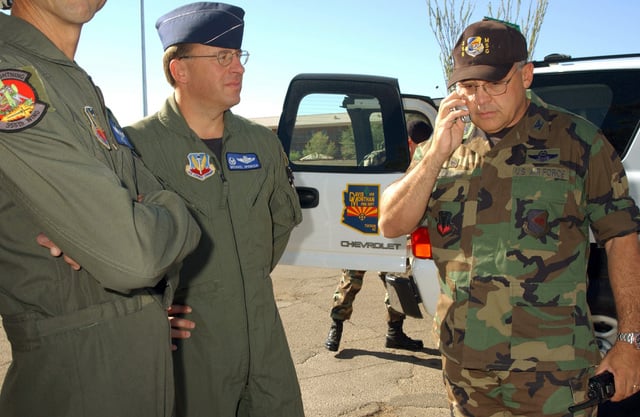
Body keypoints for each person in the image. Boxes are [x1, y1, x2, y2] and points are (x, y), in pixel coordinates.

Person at [379, 18, 640, 417]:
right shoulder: (445, 144)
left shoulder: (578, 142)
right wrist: (434, 155)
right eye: (468, 87)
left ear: (526, 75)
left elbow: (622, 238)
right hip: (465, 368)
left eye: (494, 84)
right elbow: (391, 223)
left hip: (554, 375)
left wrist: (630, 341)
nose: (480, 99)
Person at [0, 1, 202, 416]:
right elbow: (135, 256)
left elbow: (149, 246)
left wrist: (136, 305)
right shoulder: (12, 79)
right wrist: (150, 216)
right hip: (74, 383)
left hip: (128, 366)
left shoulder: (74, 84)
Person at [123, 3, 304, 416]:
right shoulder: (135, 148)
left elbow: (280, 223)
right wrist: (144, 315)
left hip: (266, 345)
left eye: (239, 56)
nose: (238, 67)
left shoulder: (262, 144)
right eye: (222, 57)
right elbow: (110, 246)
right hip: (189, 352)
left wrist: (241, 287)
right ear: (180, 70)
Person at [325, 119, 433, 352]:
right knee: (350, 280)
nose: (422, 151)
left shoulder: (423, 164)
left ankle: (395, 333)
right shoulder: (377, 159)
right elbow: (358, 190)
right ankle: (336, 327)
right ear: (407, 143)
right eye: (418, 146)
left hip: (393, 234)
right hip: (365, 228)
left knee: (397, 285)